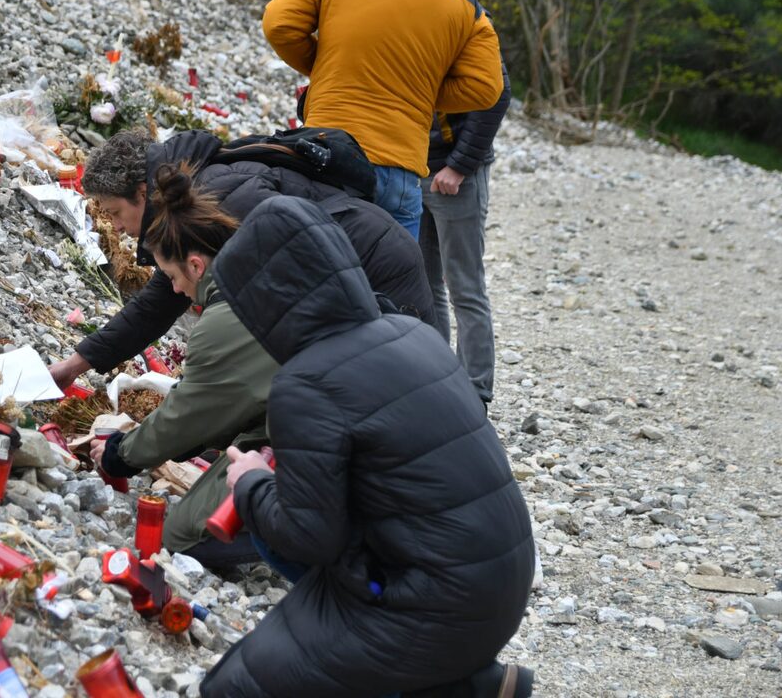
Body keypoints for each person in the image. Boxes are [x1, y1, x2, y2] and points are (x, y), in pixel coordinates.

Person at [199, 195, 534, 698]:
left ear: (264, 301)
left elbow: (308, 537)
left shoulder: (305, 383)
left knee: (234, 686)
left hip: (436, 606)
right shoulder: (413, 332)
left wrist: (250, 483)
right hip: (502, 584)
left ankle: (453, 679)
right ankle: (468, 685)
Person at [48, 127, 433, 389]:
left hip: (376, 265)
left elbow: (283, 300)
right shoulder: (183, 198)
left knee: (395, 386)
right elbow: (161, 301)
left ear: (143, 193)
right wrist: (76, 365)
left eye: (115, 212)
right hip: (348, 267)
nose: (116, 227)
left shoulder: (221, 198)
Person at [262, 0, 505, 239]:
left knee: (319, 259)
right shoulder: (467, 5)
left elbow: (279, 25)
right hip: (399, 165)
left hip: (326, 149)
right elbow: (486, 88)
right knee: (393, 266)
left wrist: (331, 69)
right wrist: (415, 91)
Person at [88, 164, 274, 567]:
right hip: (303, 417)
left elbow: (188, 414)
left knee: (181, 535)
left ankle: (304, 540)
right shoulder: (257, 277)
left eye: (172, 276)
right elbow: (222, 404)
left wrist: (120, 454)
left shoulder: (224, 319)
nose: (173, 289)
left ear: (196, 265)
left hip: (307, 438)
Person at [420, 60, 511, 407]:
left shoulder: (468, 29)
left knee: (465, 288)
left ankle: (474, 396)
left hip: (457, 178)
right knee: (423, 284)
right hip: (411, 168)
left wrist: (459, 165)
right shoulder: (404, 31)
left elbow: (497, 93)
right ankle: (433, 380)